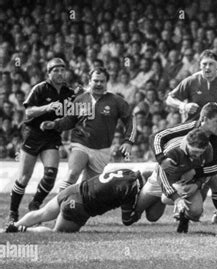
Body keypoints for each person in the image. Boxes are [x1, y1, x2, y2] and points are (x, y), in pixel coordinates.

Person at [41, 67, 135, 189]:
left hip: (102, 149)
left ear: (107, 83)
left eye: (102, 81)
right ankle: (61, 205)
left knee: (89, 189)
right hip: (80, 143)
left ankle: (75, 205)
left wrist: (128, 141)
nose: (99, 84)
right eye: (95, 81)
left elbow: (130, 120)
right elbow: (69, 120)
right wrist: (55, 124)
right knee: (72, 174)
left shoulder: (116, 101)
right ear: (89, 81)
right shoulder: (80, 99)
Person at [146, 102, 217, 234]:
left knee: (215, 184)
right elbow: (157, 136)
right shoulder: (188, 127)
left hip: (196, 172)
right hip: (168, 173)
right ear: (204, 119)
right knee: (150, 215)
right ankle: (140, 186)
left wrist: (196, 175)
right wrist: (161, 159)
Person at [7, 58, 75, 223]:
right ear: (49, 73)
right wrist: (47, 107)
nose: (60, 73)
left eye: (62, 70)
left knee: (51, 174)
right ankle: (13, 213)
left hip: (52, 134)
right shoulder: (39, 88)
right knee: (24, 177)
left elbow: (73, 114)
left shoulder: (70, 92)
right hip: (34, 133)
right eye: (55, 71)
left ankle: (35, 204)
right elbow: (29, 112)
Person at [5, 169, 146, 233]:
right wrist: (140, 209)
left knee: (42, 213)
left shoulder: (127, 171)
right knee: (57, 232)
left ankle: (11, 227)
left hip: (74, 189)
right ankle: (25, 230)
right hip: (79, 205)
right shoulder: (132, 188)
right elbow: (127, 220)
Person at [137, 128, 217, 233]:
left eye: (200, 153)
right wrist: (177, 199)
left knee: (196, 211)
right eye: (194, 151)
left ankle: (183, 218)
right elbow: (163, 176)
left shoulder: (208, 149)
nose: (197, 155)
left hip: (184, 182)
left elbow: (208, 171)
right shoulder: (173, 151)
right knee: (136, 216)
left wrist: (197, 184)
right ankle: (144, 182)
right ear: (187, 144)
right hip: (159, 179)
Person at [166, 50, 217, 122]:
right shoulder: (191, 81)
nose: (207, 67)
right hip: (194, 127)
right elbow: (170, 99)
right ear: (200, 65)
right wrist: (184, 106)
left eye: (211, 64)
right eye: (204, 64)